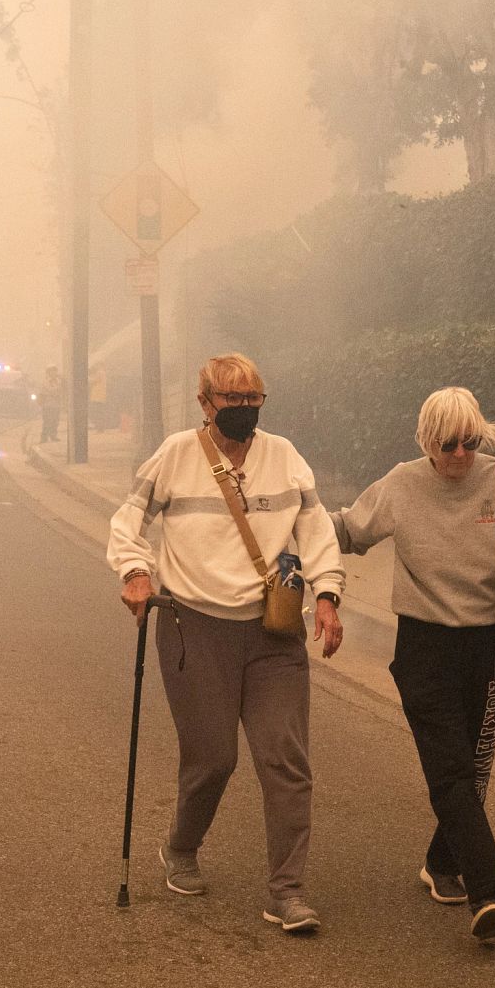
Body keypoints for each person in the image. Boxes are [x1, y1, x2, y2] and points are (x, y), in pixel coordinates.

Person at [331, 386, 495, 943]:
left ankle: (441, 863)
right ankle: (486, 890)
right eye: (448, 444)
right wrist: (286, 518)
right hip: (425, 645)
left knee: (473, 767)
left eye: (470, 442)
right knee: (449, 769)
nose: (460, 455)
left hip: (489, 644)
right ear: (427, 440)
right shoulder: (401, 484)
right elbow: (348, 531)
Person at [107, 353, 345, 934]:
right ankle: (182, 846)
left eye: (253, 401)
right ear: (204, 403)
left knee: (285, 761)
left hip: (271, 633)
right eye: (230, 402)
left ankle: (287, 892)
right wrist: (136, 572)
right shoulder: (176, 456)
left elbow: (315, 533)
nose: (243, 411)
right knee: (214, 758)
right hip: (195, 627)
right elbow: (127, 521)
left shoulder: (285, 457)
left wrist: (328, 595)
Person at [40, 366, 63, 444]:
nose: (54, 373)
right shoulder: (45, 381)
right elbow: (50, 390)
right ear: (48, 373)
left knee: (55, 421)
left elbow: (62, 390)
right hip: (47, 405)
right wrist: (57, 392)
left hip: (56, 405)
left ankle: (53, 435)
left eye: (55, 371)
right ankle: (44, 437)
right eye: (52, 371)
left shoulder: (59, 381)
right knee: (47, 421)